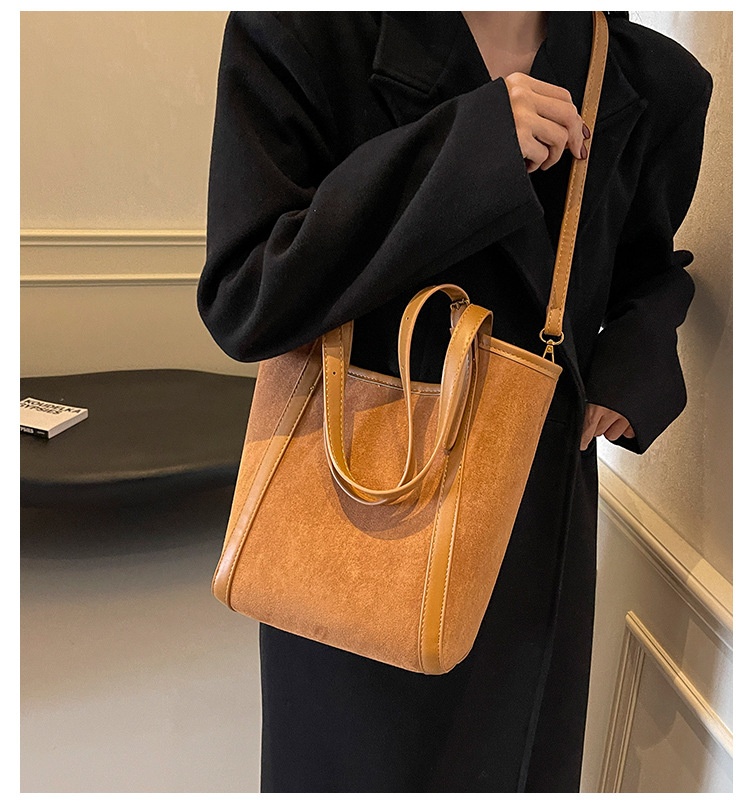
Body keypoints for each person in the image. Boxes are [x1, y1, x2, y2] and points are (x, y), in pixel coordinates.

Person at [197, 11, 712, 792]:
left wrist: (631, 361)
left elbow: (649, 267)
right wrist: (467, 151)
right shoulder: (304, 32)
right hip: (351, 504)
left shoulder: (651, 78)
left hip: (528, 519)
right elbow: (248, 294)